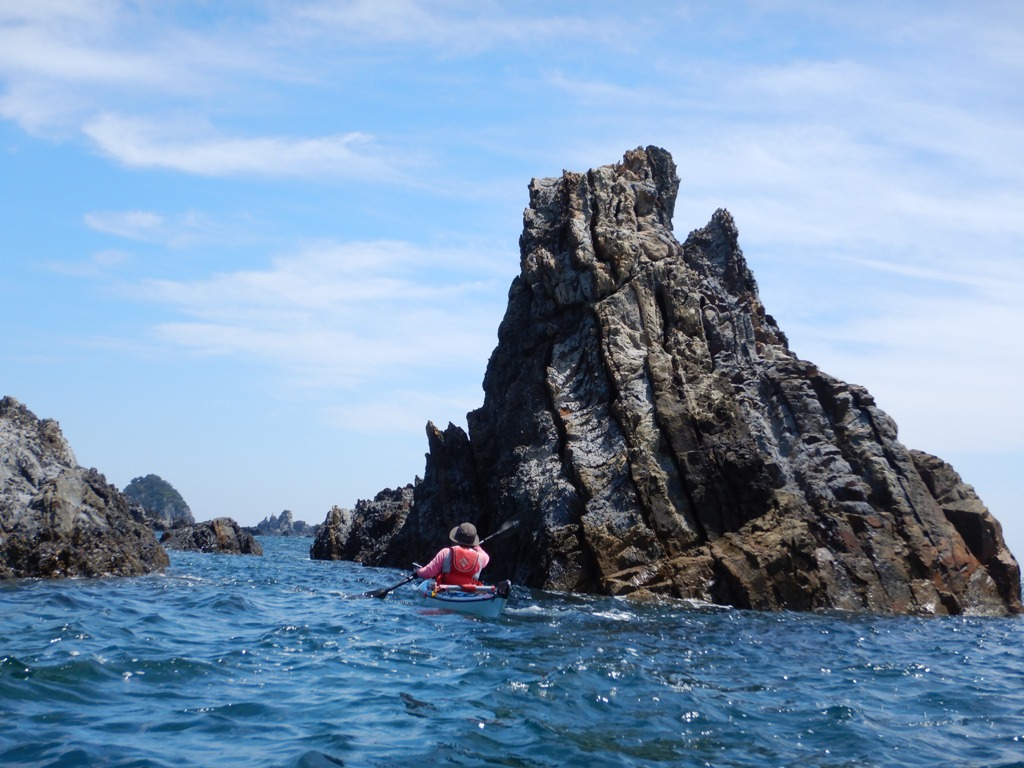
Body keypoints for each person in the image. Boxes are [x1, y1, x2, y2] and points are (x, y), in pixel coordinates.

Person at [415, 522, 490, 587]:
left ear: (455, 539)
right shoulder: (481, 557)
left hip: (445, 590)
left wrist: (418, 572)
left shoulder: (445, 552)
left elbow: (429, 572)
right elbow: (486, 556)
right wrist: (477, 546)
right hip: (469, 592)